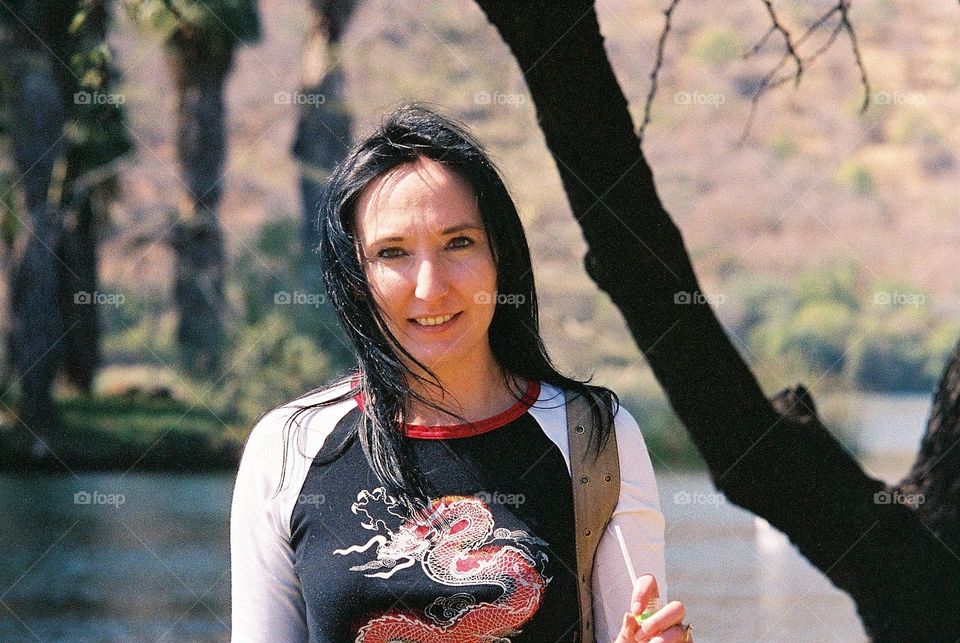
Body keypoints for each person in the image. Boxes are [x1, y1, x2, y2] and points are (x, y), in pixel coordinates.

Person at [230, 104, 692, 642]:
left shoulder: (590, 436)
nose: (431, 287)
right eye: (392, 252)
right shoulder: (288, 449)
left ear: (501, 254)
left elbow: (633, 628)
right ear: (357, 278)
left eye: (459, 243)